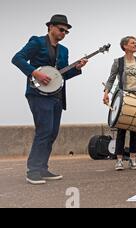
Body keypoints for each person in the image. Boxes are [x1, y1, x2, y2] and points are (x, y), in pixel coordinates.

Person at [11, 15, 88, 185]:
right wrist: (35, 72)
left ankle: (43, 169)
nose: (64, 33)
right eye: (61, 29)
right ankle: (32, 171)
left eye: (66, 32)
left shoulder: (64, 50)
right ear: (51, 27)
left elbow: (62, 75)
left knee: (52, 133)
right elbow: (17, 58)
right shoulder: (37, 42)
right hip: (38, 94)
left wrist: (77, 68)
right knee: (44, 131)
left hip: (57, 96)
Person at [103, 36, 136, 171]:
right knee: (121, 130)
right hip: (123, 97)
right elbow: (111, 78)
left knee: (135, 130)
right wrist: (106, 93)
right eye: (132, 43)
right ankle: (119, 160)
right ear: (125, 46)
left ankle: (132, 159)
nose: (135, 45)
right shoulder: (118, 62)